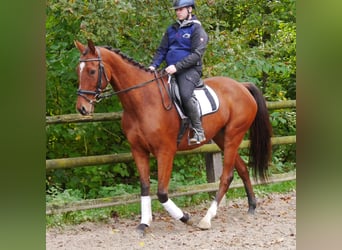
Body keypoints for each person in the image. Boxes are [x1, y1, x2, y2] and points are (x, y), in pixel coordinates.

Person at [149, 0, 209, 145]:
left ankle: (198, 130)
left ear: (189, 9)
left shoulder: (197, 29)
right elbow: (162, 50)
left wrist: (177, 67)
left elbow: (196, 54)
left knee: (185, 94)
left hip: (190, 70)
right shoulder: (172, 29)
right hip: (170, 69)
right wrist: (153, 66)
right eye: (177, 10)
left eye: (181, 9)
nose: (178, 12)